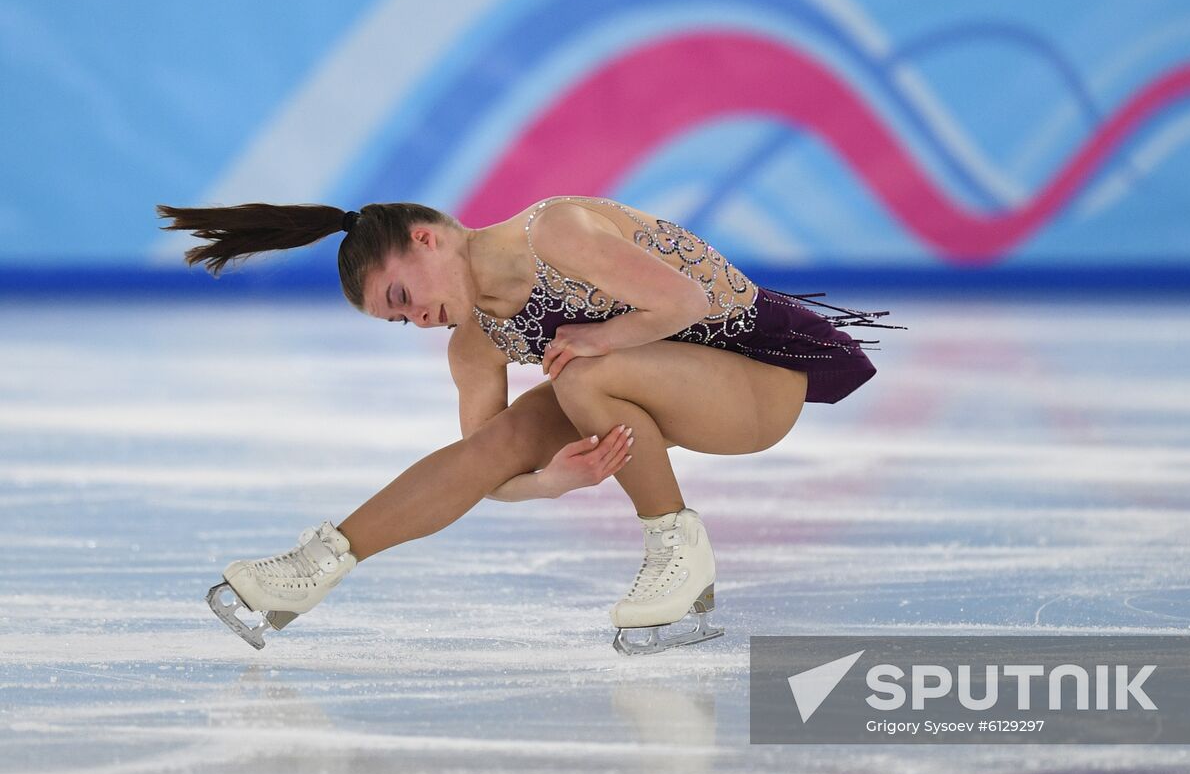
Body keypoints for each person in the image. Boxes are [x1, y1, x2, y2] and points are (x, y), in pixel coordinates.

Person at [154, 195, 904, 654]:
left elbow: (688, 304)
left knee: (579, 368)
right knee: (501, 440)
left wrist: (596, 342)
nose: (417, 319)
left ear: (427, 239)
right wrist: (551, 481)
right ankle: (315, 567)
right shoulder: (472, 343)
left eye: (405, 295)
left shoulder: (556, 234)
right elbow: (490, 476)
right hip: (656, 377)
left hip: (758, 373)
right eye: (399, 318)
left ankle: (679, 548)